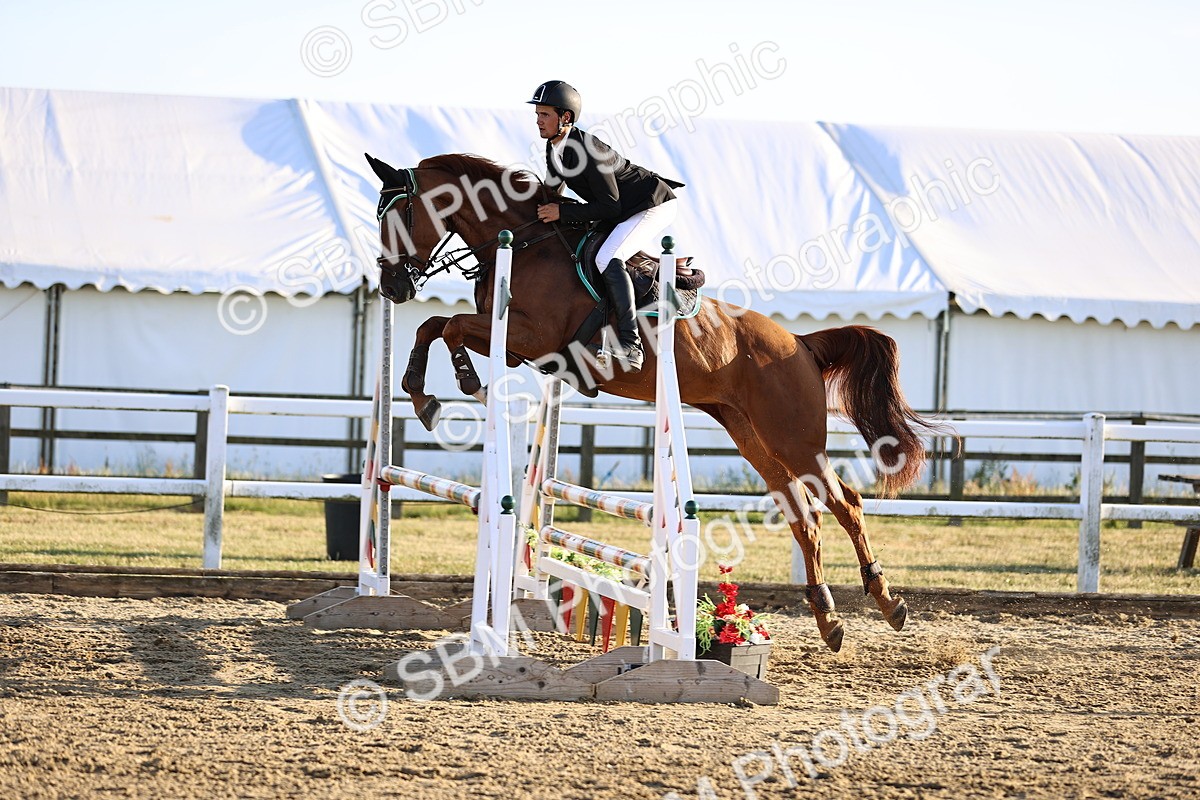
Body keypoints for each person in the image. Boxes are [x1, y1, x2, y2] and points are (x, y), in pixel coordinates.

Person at [528, 80, 684, 373]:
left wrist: (562, 212)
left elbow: (609, 206)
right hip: (622, 209)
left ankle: (631, 344)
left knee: (607, 257)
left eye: (545, 114)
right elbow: (551, 194)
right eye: (537, 114)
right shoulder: (554, 148)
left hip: (651, 204)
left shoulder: (588, 149)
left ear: (566, 118)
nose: (538, 121)